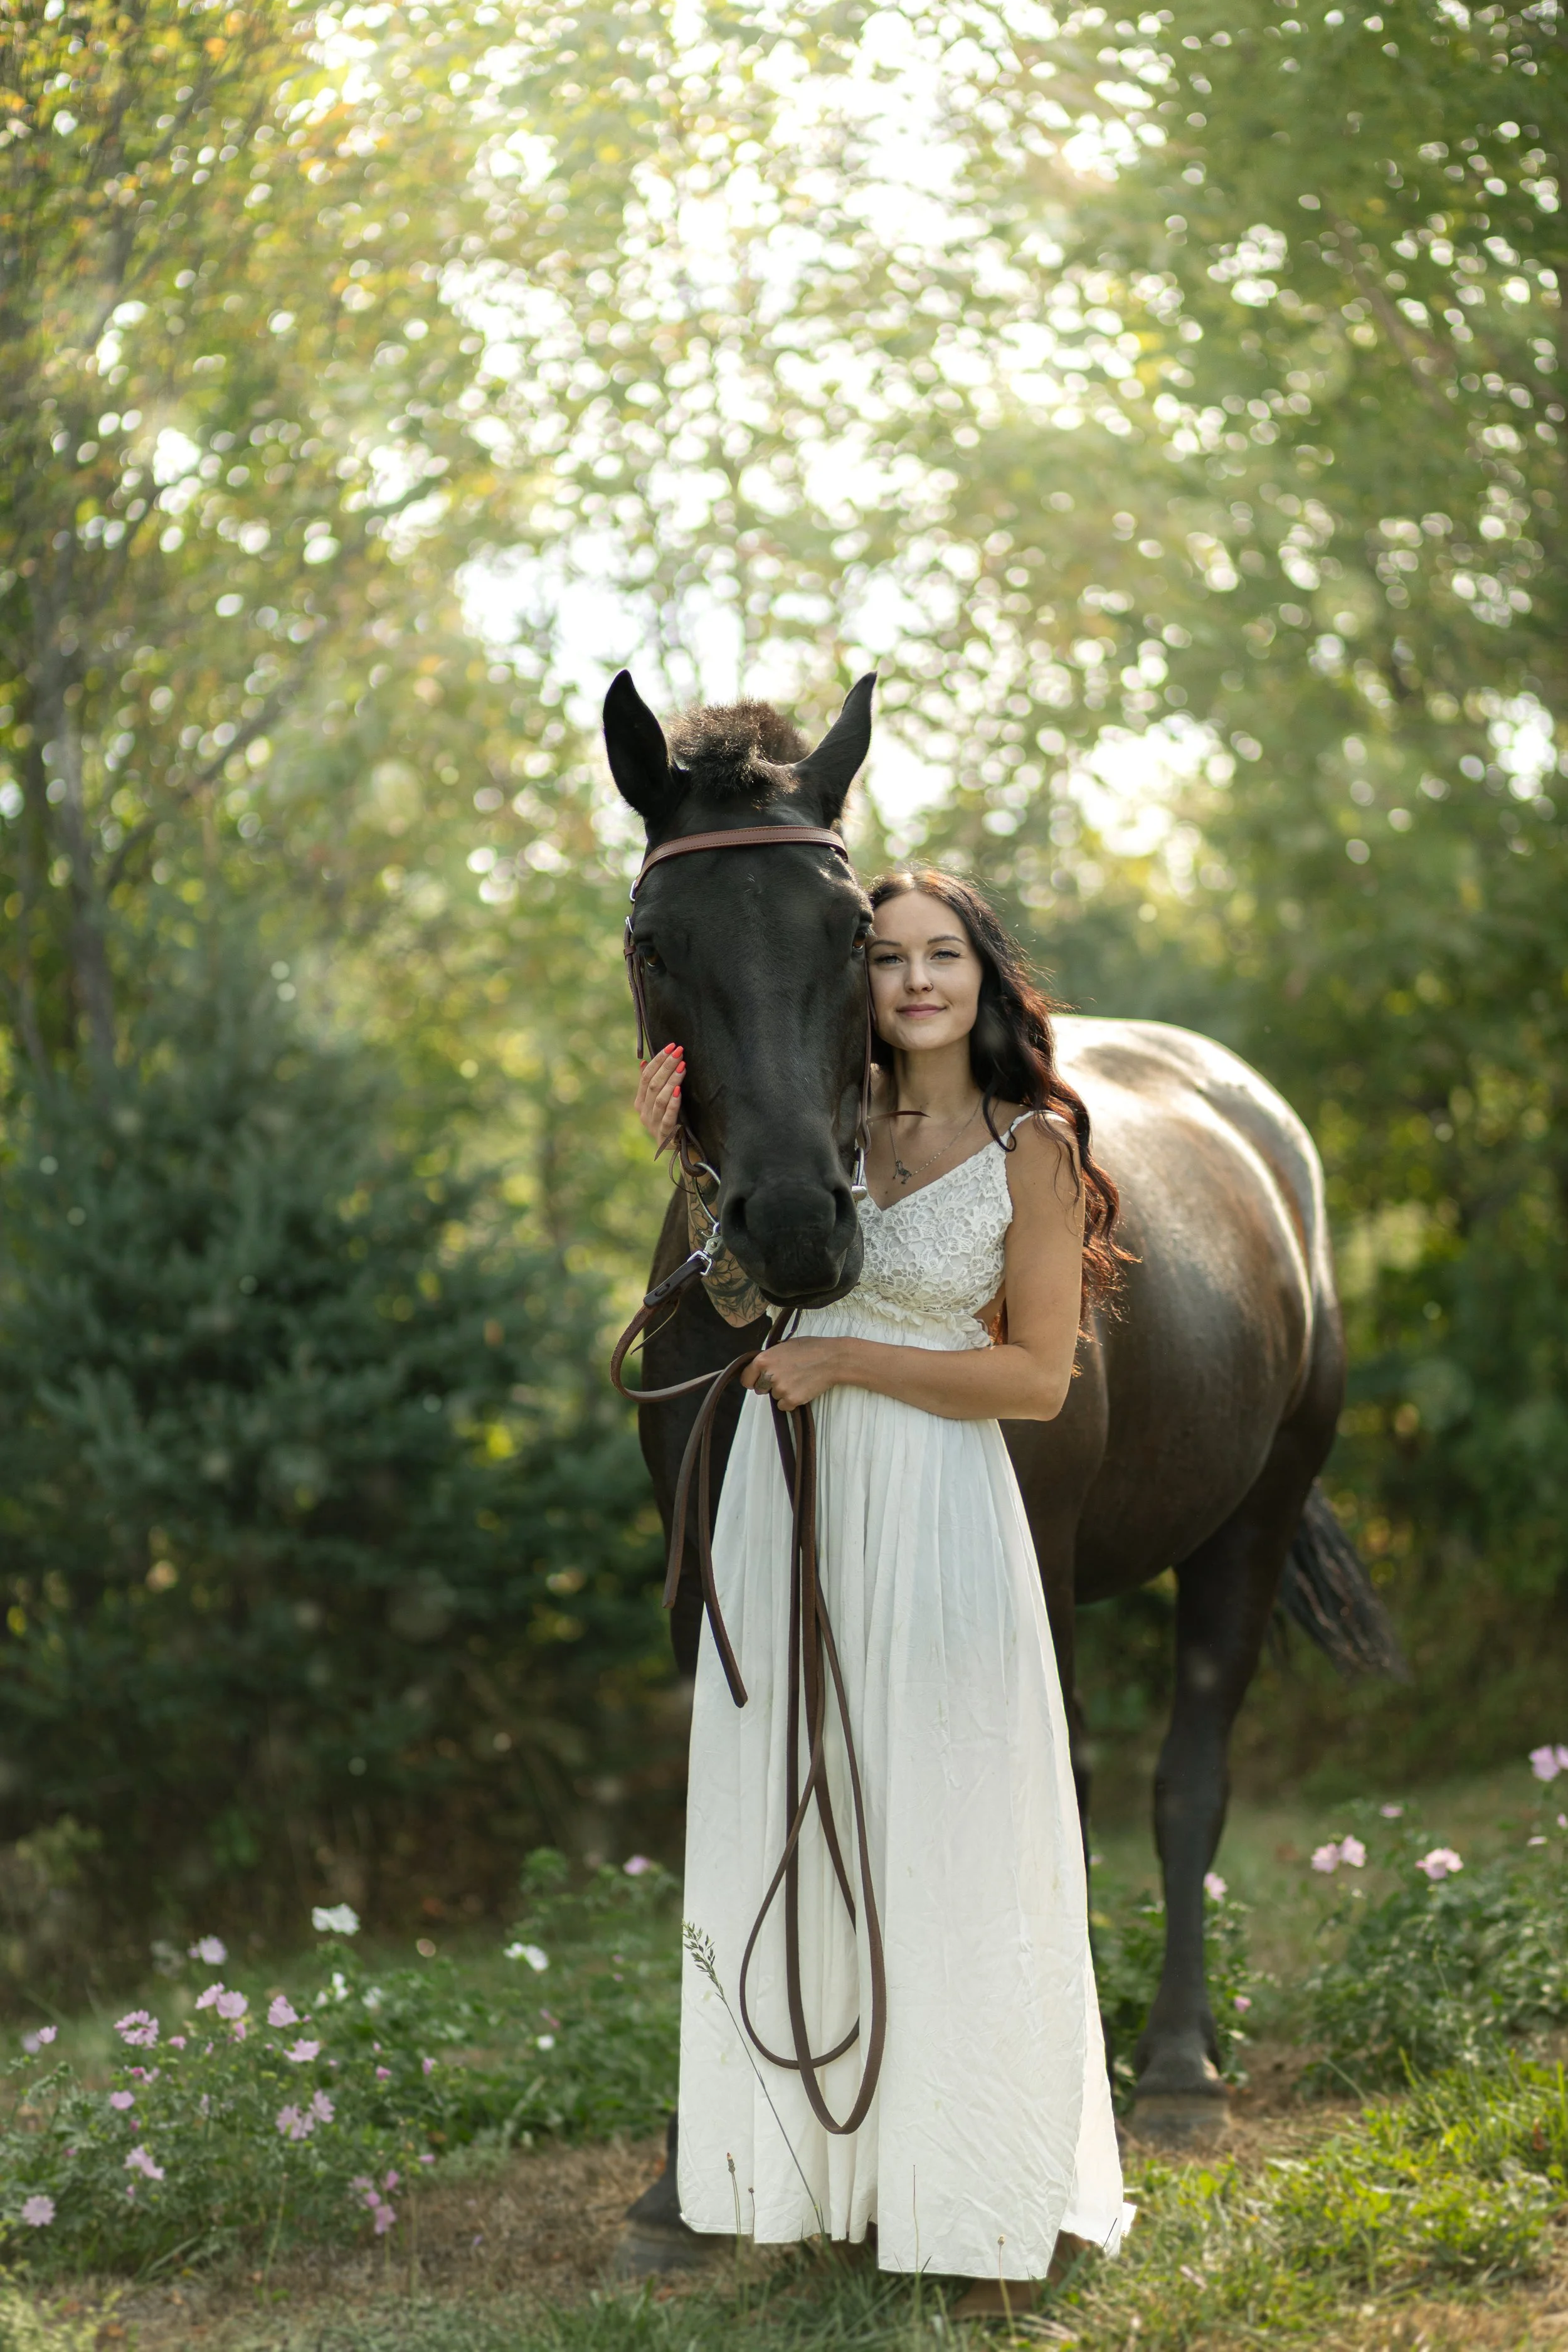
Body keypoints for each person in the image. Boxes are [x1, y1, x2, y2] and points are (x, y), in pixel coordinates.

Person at [633, 866, 1132, 2306]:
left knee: (949, 1830)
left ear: (983, 977)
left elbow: (1034, 1381)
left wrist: (847, 1362)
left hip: (936, 1504)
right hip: (795, 1505)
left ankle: (986, 2205)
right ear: (852, 977)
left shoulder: (1027, 1142)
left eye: (942, 957)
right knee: (813, 1820)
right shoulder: (819, 1130)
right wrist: (693, 1171)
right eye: (888, 958)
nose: (914, 983)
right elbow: (742, 1304)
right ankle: (840, 2186)